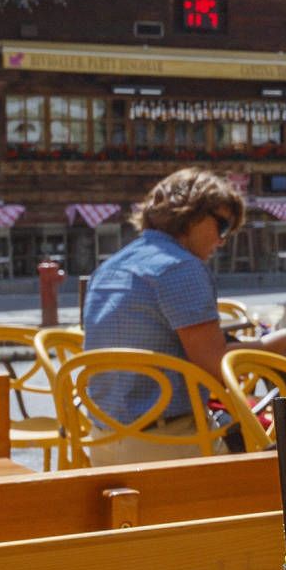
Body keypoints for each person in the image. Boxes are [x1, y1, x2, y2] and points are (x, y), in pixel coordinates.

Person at [79, 168, 245, 456]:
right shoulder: (181, 266)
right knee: (277, 458)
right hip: (167, 443)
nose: (222, 240)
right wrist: (278, 344)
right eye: (222, 226)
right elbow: (217, 368)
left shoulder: (109, 267)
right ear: (191, 214)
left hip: (101, 440)